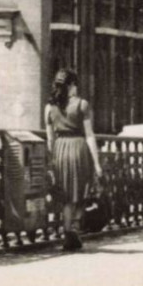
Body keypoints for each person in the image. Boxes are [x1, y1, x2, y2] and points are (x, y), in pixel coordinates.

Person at [44, 68, 103, 252]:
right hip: (79, 149)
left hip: (60, 150)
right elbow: (90, 136)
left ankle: (68, 233)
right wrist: (97, 163)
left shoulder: (49, 107)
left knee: (66, 196)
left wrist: (52, 161)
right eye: (75, 84)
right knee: (81, 192)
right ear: (71, 85)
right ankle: (74, 230)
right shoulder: (82, 105)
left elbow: (50, 139)